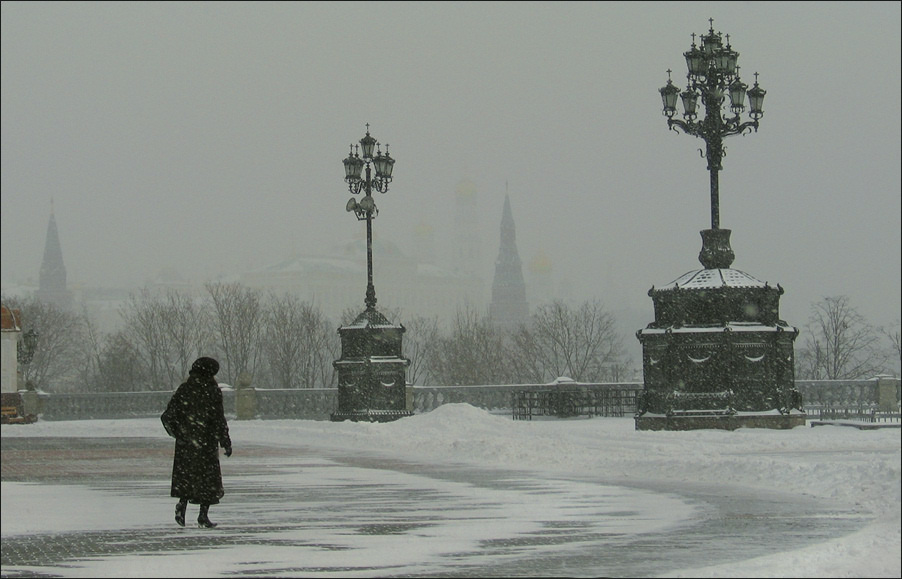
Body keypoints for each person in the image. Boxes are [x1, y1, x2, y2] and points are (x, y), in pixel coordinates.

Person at [162, 356, 232, 528]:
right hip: (207, 441)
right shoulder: (212, 390)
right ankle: (203, 515)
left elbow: (168, 415)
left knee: (187, 476)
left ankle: (182, 505)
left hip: (187, 442)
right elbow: (218, 419)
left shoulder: (185, 389)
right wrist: (225, 441)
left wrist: (180, 432)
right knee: (208, 479)